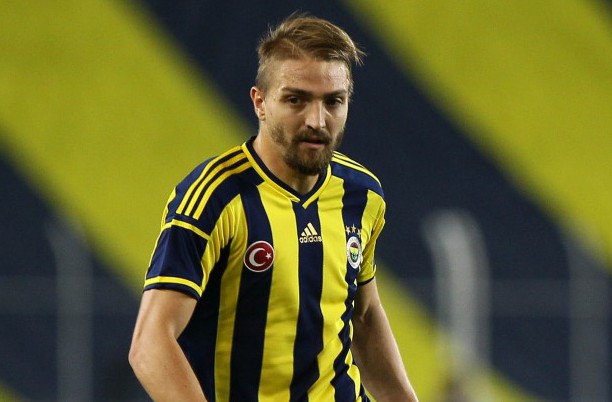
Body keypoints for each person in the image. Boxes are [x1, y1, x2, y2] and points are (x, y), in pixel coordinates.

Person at [129, 13, 419, 402]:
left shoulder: (362, 195)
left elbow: (364, 318)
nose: (317, 120)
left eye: (333, 101)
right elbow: (150, 344)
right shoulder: (215, 197)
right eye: (296, 99)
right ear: (260, 103)